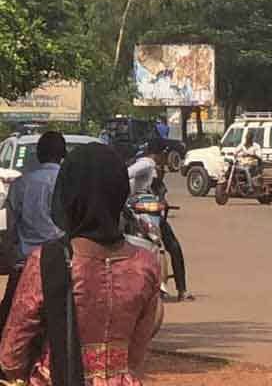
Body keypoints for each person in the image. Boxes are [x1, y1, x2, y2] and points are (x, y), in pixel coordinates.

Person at [0, 143, 162, 385]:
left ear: (67, 195)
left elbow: (12, 354)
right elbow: (136, 352)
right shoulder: (146, 264)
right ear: (119, 194)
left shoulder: (45, 261)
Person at [0, 132, 67, 339]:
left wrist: (11, 256)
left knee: (8, 321)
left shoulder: (22, 183)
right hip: (61, 265)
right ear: (63, 154)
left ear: (38, 154)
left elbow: (10, 227)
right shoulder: (68, 183)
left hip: (25, 265)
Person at [128, 140, 192, 302]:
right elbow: (126, 173)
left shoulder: (153, 169)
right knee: (174, 247)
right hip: (138, 212)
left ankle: (181, 289)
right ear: (160, 154)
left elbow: (159, 190)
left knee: (172, 245)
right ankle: (182, 289)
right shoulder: (146, 165)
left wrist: (162, 201)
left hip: (151, 212)